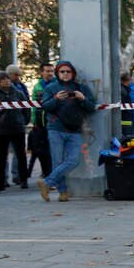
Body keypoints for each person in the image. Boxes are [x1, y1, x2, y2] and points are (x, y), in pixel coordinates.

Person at [38, 61, 96, 202]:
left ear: (73, 73)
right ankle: (63, 192)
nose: (65, 74)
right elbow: (45, 106)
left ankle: (47, 183)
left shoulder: (81, 88)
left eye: (68, 71)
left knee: (73, 160)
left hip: (74, 129)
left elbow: (91, 106)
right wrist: (56, 99)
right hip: (55, 128)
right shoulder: (51, 88)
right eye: (62, 72)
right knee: (57, 162)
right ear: (58, 73)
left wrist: (82, 99)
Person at [0, 71, 30, 191]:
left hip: (17, 128)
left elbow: (27, 108)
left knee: (21, 156)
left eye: (8, 79)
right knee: (0, 157)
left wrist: (24, 121)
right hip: (1, 130)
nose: (7, 81)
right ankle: (0, 182)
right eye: (3, 79)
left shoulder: (19, 93)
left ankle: (23, 179)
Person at [29, 62, 54, 178]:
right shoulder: (37, 86)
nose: (50, 73)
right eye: (47, 71)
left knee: (52, 149)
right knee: (41, 150)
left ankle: (52, 173)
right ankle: (46, 172)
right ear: (41, 72)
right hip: (40, 122)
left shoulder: (56, 84)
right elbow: (34, 105)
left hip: (53, 121)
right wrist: (34, 121)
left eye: (51, 71)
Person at [5, 64, 29, 185]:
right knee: (3, 154)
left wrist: (24, 120)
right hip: (2, 127)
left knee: (18, 153)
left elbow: (27, 105)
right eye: (15, 75)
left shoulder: (21, 88)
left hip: (17, 125)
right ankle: (3, 178)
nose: (17, 77)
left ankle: (17, 176)